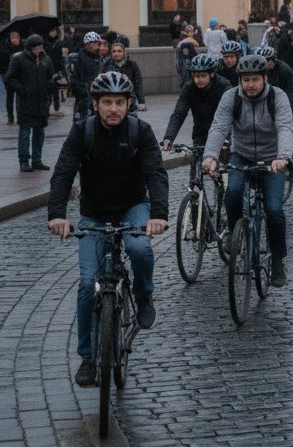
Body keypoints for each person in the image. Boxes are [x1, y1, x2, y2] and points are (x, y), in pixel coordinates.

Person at [48, 72, 169, 387]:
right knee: (88, 284)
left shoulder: (141, 132)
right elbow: (63, 173)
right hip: (94, 216)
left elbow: (156, 173)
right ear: (95, 104)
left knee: (140, 249)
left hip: (133, 208)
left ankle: (144, 297)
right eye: (106, 102)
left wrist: (158, 214)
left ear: (128, 103)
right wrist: (56, 215)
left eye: (119, 102)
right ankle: (88, 358)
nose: (113, 108)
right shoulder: (82, 132)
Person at [202, 53, 293, 287]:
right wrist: (211, 156)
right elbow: (218, 127)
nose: (250, 85)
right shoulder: (231, 98)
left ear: (265, 78)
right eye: (245, 80)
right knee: (232, 191)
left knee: (274, 209)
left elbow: (284, 127)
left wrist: (283, 157)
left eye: (255, 79)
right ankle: (234, 232)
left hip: (272, 159)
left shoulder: (278, 97)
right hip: (241, 155)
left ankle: (278, 260)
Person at [161, 53, 231, 155]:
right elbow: (179, 114)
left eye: (203, 76)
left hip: (222, 134)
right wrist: (169, 138)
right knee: (196, 166)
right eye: (196, 76)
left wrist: (227, 137)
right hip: (200, 134)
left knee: (223, 167)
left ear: (211, 74)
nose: (199, 80)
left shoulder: (224, 86)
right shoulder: (189, 87)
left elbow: (230, 113)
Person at [6, 34, 54, 170]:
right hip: (26, 102)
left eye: (41, 46)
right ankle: (24, 161)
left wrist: (53, 83)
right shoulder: (19, 59)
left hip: (42, 102)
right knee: (25, 132)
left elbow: (50, 77)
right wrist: (23, 90)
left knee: (40, 132)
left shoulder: (46, 59)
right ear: (30, 48)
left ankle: (37, 160)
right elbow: (10, 79)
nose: (40, 49)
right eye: (37, 46)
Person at [68, 32, 105, 123]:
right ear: (87, 45)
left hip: (100, 99)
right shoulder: (79, 59)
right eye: (92, 43)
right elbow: (73, 81)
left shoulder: (102, 58)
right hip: (85, 102)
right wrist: (85, 91)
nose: (96, 46)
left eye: (97, 43)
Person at [99, 40, 146, 112]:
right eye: (114, 51)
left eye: (119, 51)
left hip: (129, 102)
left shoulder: (132, 64)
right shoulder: (106, 65)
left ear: (124, 52)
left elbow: (138, 83)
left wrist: (141, 102)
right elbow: (101, 83)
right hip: (112, 102)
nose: (116, 53)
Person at [255, 45, 293, 119]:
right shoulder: (259, 70)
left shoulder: (284, 69)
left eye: (267, 61)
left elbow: (292, 91)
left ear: (274, 59)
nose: (265, 65)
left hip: (285, 94)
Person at [0, 29, 22, 124]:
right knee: (9, 96)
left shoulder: (23, 48)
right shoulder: (5, 48)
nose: (14, 39)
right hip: (7, 75)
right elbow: (2, 62)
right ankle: (10, 118)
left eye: (16, 37)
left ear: (19, 38)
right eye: (12, 38)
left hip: (20, 75)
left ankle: (20, 116)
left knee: (20, 97)